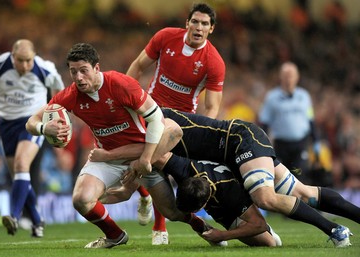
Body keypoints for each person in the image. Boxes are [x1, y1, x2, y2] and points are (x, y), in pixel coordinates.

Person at [25, 43, 226, 249]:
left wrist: (145, 160)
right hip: (106, 156)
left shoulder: (120, 84)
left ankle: (200, 225)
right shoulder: (71, 95)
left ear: (96, 68)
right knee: (81, 199)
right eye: (73, 72)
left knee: (172, 212)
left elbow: (157, 120)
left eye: (83, 71)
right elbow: (31, 121)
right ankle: (115, 235)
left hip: (141, 152)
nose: (78, 78)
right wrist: (43, 128)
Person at [158, 108, 357, 247]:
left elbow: (160, 147)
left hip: (239, 141)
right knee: (303, 193)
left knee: (265, 198)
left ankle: (334, 230)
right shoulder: (155, 132)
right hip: (236, 155)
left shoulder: (161, 123)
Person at [126, 2, 226, 244]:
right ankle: (149, 205)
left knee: (162, 168)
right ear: (187, 23)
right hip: (151, 109)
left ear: (211, 29)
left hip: (182, 122)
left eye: (204, 24)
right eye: (195, 21)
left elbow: (212, 106)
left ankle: (162, 226)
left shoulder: (214, 62)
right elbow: (138, 66)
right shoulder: (165, 37)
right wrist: (126, 100)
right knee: (135, 158)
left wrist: (202, 135)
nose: (199, 27)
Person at [0, 39, 65, 237]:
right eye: (21, 60)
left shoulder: (44, 68)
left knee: (21, 165)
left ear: (34, 56)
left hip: (33, 123)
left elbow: (60, 91)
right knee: (19, 176)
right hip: (7, 126)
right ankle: (37, 221)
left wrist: (55, 114)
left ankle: (14, 216)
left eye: (29, 60)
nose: (26, 65)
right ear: (13, 56)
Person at [90, 149, 282, 247]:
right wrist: (132, 183)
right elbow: (150, 155)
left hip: (233, 205)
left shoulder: (231, 194)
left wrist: (223, 235)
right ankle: (194, 223)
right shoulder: (182, 167)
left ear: (203, 205)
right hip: (211, 194)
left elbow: (259, 225)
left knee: (271, 243)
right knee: (171, 212)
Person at [258, 62, 321, 185]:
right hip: (281, 146)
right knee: (282, 180)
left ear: (297, 77)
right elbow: (264, 123)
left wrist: (316, 141)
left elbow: (310, 120)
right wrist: (261, 145)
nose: (288, 79)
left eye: (291, 75)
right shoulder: (271, 97)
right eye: (285, 75)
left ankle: (300, 203)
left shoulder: (304, 96)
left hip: (301, 144)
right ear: (280, 77)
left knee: (299, 176)